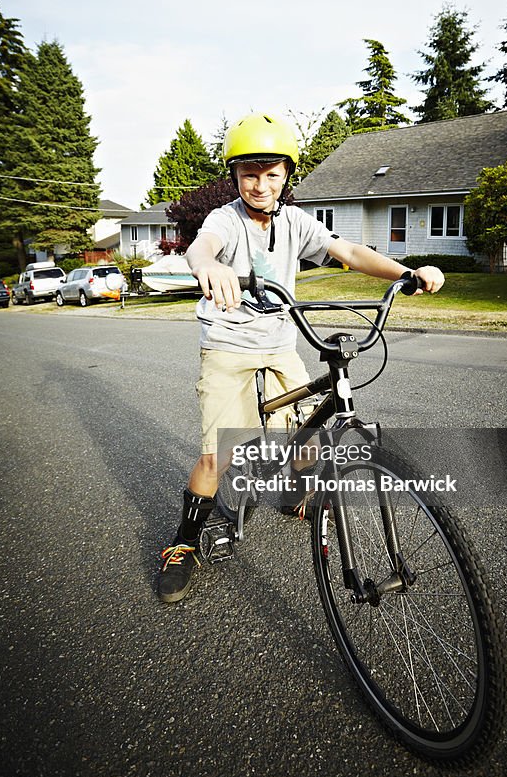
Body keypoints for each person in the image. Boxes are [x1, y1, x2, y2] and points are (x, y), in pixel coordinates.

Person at [157, 112, 445, 603]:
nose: (260, 185)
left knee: (309, 435)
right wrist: (207, 266)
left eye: (272, 174)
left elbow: (348, 252)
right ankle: (184, 543)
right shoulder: (223, 219)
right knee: (217, 454)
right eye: (250, 173)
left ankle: (293, 496)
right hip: (228, 346)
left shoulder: (295, 221)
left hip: (278, 344)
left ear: (287, 175)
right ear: (235, 175)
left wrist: (407, 272)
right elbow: (202, 248)